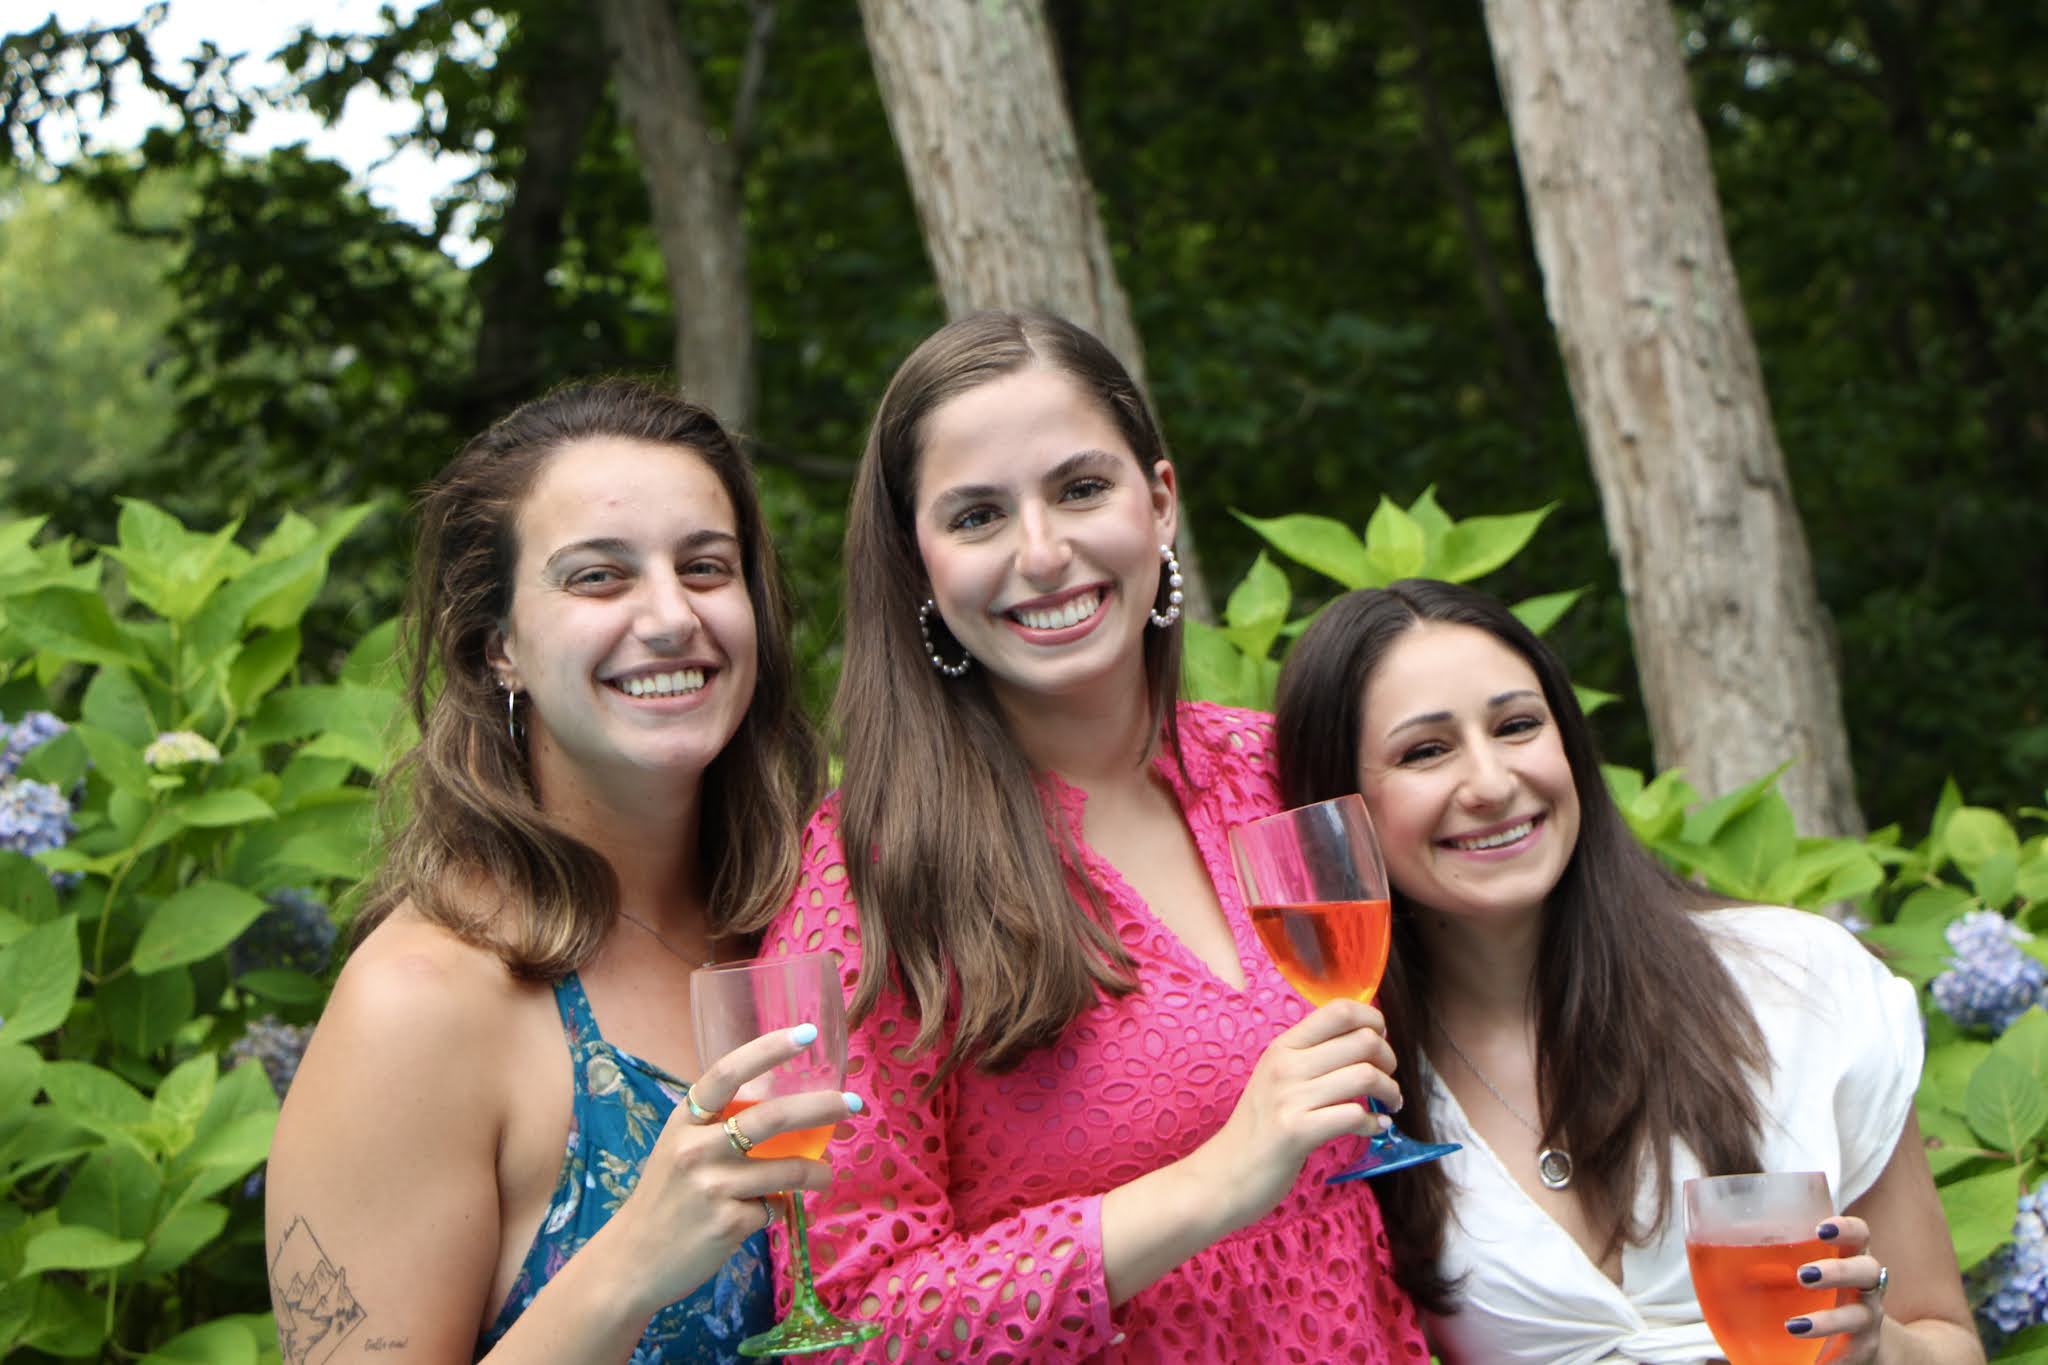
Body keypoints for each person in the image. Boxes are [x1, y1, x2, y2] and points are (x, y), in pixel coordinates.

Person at [758, 310, 1429, 1361]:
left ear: (1158, 501)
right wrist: (1206, 1187)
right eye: (977, 516)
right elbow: (839, 1325)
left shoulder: (1280, 769)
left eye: (1080, 489)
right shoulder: (861, 887)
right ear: (915, 561)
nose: (1043, 552)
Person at [265, 379, 860, 1363]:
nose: (670, 616)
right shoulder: (418, 1006)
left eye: (706, 567)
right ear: (497, 646)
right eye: (598, 578)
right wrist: (631, 1261)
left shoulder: (815, 921)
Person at [1271, 577, 1982, 1365]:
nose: (1494, 782)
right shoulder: (1357, 1086)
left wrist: (1878, 1351)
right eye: (1427, 750)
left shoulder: (1798, 979)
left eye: (1516, 725)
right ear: (1343, 809)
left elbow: (1949, 1338)